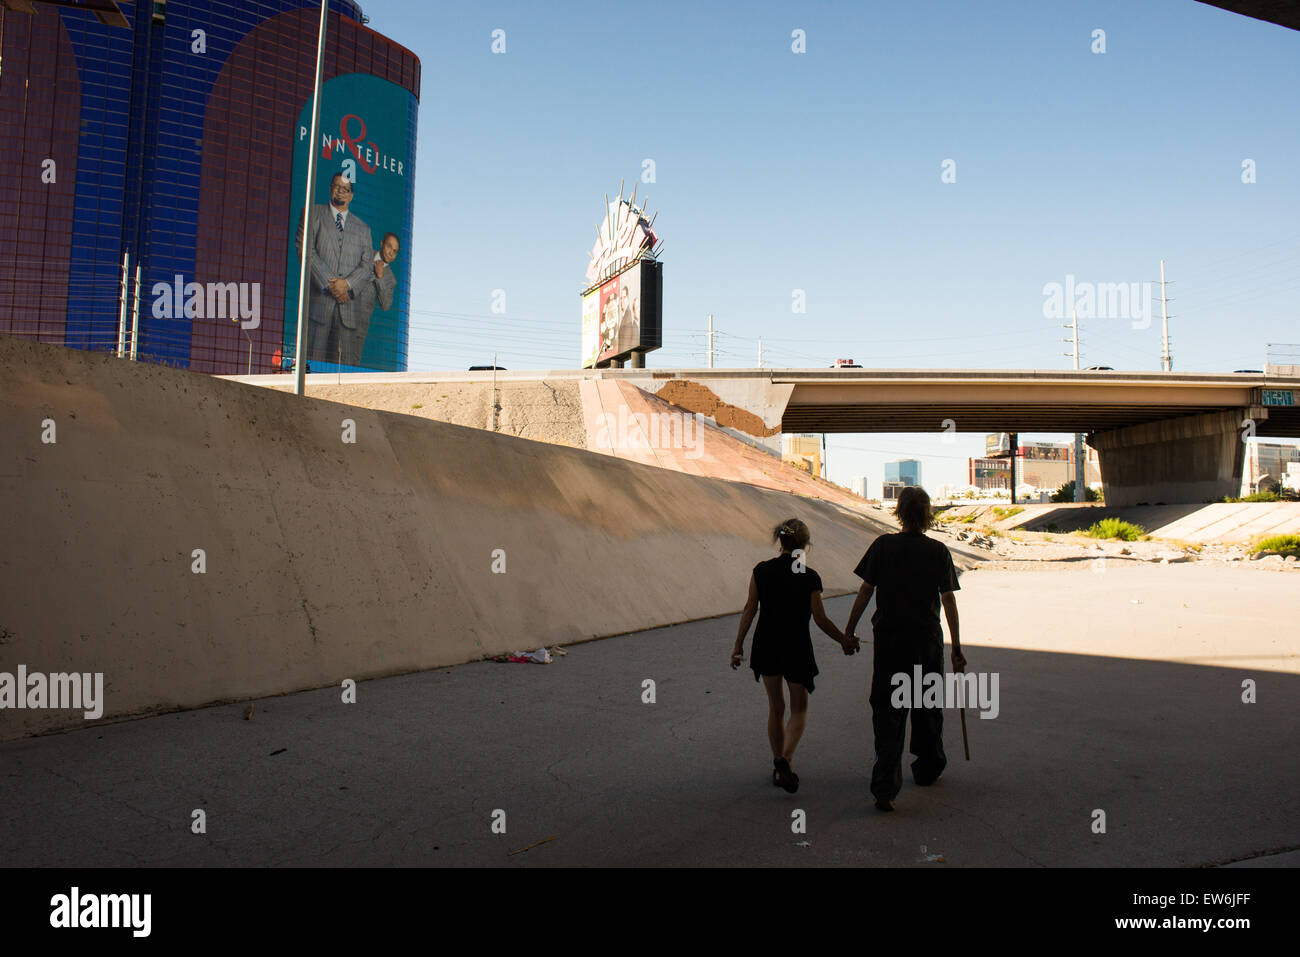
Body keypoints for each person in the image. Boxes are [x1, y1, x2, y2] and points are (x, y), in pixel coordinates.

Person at [844, 486, 966, 812]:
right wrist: (955, 647)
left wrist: (849, 631)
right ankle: (928, 768)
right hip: (926, 643)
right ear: (927, 515)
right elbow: (948, 599)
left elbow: (865, 590)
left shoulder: (883, 546)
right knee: (927, 708)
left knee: (888, 711)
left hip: (890, 644)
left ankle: (885, 785)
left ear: (898, 512)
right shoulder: (939, 551)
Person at [731, 519, 857, 793]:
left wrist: (738, 644)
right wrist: (844, 640)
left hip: (766, 645)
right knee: (799, 708)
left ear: (780, 541)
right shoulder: (809, 576)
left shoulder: (761, 571)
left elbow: (750, 608)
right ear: (804, 545)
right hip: (797, 648)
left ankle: (779, 766)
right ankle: (785, 760)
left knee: (776, 707)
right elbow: (821, 619)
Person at [295, 173, 374, 364]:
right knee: (312, 368)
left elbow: (367, 266)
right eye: (337, 186)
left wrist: (346, 285)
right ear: (330, 188)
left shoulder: (363, 229)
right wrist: (331, 284)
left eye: (345, 189)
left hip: (348, 311)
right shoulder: (311, 213)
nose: (341, 191)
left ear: (351, 195)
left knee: (343, 373)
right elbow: (305, 249)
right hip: (318, 307)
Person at [341, 231, 399, 366]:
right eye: (389, 246)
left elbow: (386, 305)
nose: (391, 252)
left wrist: (380, 278)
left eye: (395, 251)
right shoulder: (363, 254)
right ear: (382, 244)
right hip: (339, 312)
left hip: (358, 327)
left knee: (350, 366)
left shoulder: (390, 279)